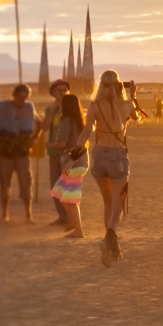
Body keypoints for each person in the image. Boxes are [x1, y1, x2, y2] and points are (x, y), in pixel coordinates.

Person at [74, 70, 142, 268]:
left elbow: (87, 131)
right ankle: (108, 238)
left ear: (101, 85)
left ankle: (113, 248)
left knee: (107, 202)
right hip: (117, 156)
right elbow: (136, 117)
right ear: (119, 85)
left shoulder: (94, 105)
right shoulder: (126, 105)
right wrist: (133, 95)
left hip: (99, 155)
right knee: (118, 206)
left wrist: (76, 152)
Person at [0, 84, 42, 224]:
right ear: (15, 95)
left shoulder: (29, 108)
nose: (23, 100)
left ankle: (28, 215)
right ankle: (4, 215)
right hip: (5, 151)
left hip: (23, 152)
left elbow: (40, 123)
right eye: (21, 97)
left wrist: (35, 137)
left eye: (26, 97)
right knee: (4, 183)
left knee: (26, 183)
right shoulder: (1, 107)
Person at [49, 95, 89, 238]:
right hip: (81, 161)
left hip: (71, 163)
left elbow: (62, 143)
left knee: (69, 198)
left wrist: (49, 145)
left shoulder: (66, 120)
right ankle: (73, 223)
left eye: (62, 104)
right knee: (60, 193)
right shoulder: (80, 121)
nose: (60, 107)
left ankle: (78, 230)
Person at [43, 79, 72, 227]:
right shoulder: (50, 109)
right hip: (54, 153)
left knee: (68, 187)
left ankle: (71, 218)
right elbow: (44, 127)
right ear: (53, 93)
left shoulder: (71, 108)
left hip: (67, 153)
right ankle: (63, 216)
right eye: (58, 90)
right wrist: (54, 109)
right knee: (55, 187)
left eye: (64, 90)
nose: (61, 93)